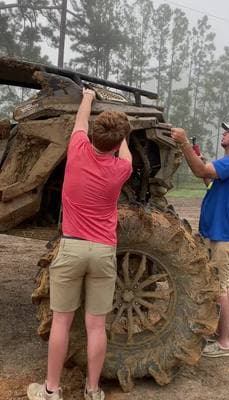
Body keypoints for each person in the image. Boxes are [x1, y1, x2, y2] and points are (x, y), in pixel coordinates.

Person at [27, 88, 133, 400]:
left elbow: (81, 122)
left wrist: (88, 96)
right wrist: (122, 133)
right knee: (96, 326)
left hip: (72, 247)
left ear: (94, 138)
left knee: (61, 320)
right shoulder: (121, 169)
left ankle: (51, 391)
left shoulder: (77, 149)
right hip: (103, 251)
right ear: (116, 143)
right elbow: (123, 149)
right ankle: (93, 390)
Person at [171, 120, 229, 358]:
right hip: (216, 234)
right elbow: (208, 179)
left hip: (222, 237)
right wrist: (196, 156)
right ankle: (217, 334)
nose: (225, 133)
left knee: (219, 288)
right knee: (214, 286)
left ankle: (225, 342)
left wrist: (184, 143)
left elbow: (201, 171)